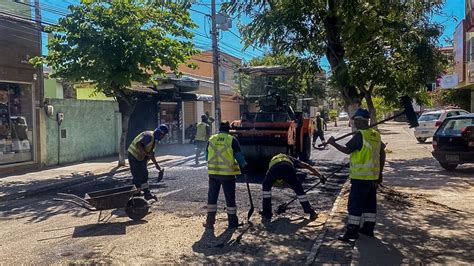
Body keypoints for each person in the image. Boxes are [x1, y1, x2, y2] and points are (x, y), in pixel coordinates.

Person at [326, 108, 386, 241]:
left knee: (355, 205)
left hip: (360, 178)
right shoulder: (376, 135)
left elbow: (347, 150)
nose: (355, 123)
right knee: (370, 204)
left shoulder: (360, 136)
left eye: (356, 121)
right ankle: (368, 229)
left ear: (361, 121)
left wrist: (333, 143)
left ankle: (352, 232)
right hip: (373, 178)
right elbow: (382, 153)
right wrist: (380, 173)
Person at [204, 120, 247, 229]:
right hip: (227, 174)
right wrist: (244, 166)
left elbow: (206, 157)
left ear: (219, 129)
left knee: (212, 198)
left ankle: (209, 222)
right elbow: (239, 157)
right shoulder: (232, 140)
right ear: (228, 129)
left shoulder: (211, 139)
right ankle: (232, 223)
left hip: (213, 173)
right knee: (230, 197)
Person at [260, 153, 326, 221]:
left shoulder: (273, 160)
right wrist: (320, 175)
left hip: (274, 169)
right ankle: (311, 212)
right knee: (299, 189)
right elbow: (307, 166)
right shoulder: (289, 158)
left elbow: (277, 179)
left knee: (266, 187)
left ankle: (267, 214)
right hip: (287, 168)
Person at [127, 124, 169, 200]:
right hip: (133, 156)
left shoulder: (154, 140)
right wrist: (146, 153)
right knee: (137, 176)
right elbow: (138, 144)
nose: (163, 138)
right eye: (163, 136)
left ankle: (146, 194)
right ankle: (135, 195)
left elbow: (151, 154)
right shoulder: (149, 136)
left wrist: (157, 165)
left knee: (144, 174)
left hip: (140, 157)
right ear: (160, 134)